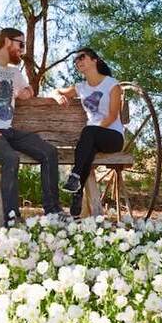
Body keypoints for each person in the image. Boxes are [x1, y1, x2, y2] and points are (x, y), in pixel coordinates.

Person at [0, 28, 64, 224]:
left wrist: (34, 92)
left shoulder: (13, 72)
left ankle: (53, 213)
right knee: (11, 158)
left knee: (49, 152)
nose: (22, 50)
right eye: (20, 44)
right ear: (7, 41)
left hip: (7, 131)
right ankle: (12, 219)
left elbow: (25, 92)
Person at [51, 47, 124, 217]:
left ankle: (75, 176)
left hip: (112, 136)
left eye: (82, 57)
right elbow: (57, 91)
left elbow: (113, 115)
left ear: (94, 60)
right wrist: (57, 96)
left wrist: (95, 130)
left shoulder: (112, 84)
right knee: (87, 146)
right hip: (90, 139)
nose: (78, 62)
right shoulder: (81, 87)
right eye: (75, 60)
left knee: (89, 133)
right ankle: (77, 192)